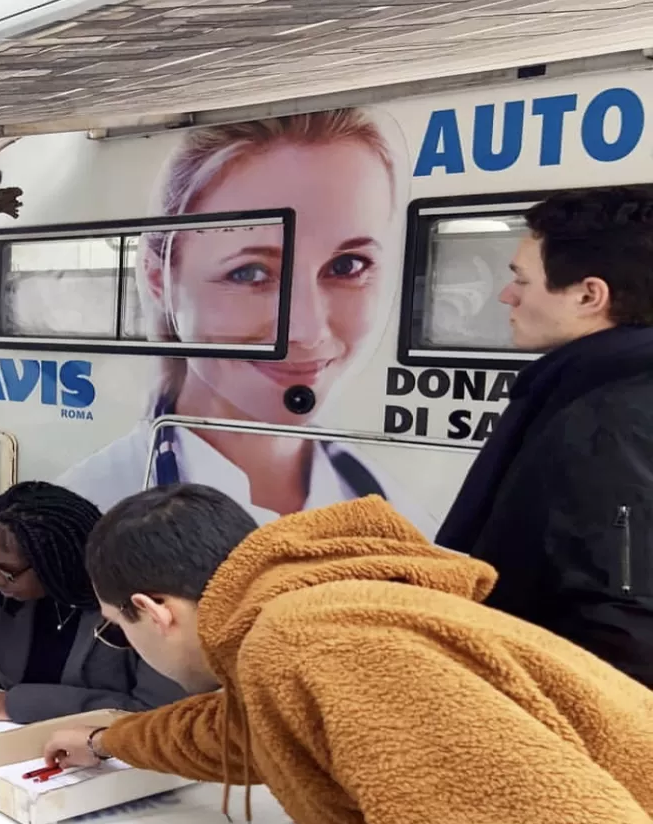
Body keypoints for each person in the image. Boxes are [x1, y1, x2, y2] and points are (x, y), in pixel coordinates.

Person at [44, 485, 653, 824]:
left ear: (153, 611)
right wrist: (107, 739)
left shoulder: (309, 641)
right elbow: (241, 731)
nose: (119, 639)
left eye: (116, 626)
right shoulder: (291, 629)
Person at [58, 110, 434, 536]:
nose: (308, 332)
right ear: (158, 276)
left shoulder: (410, 524)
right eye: (250, 273)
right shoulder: (90, 505)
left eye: (347, 266)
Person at [437, 186, 653, 688]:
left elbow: (624, 623)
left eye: (520, 279)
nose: (505, 295)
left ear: (588, 296)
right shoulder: (590, 387)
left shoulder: (613, 418)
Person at [0, 482, 184, 724]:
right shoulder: (10, 587)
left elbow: (155, 711)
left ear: (57, 564)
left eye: (7, 570)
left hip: (94, 741)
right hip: (5, 717)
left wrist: (22, 705)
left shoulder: (133, 605)